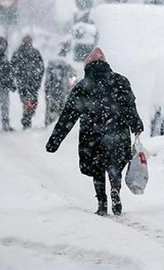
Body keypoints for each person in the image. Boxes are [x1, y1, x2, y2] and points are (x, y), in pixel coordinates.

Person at [46, 47, 143, 216]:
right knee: (114, 164)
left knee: (97, 168)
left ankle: (102, 202)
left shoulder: (83, 87)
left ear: (87, 67)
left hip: (93, 135)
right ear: (106, 64)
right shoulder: (120, 81)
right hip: (117, 132)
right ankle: (115, 190)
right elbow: (129, 107)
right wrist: (136, 125)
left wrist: (54, 141)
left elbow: (68, 117)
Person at [11, 35, 44, 129]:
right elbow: (41, 67)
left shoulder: (19, 53)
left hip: (26, 82)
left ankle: (26, 117)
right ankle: (26, 119)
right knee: (30, 101)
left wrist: (15, 78)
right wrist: (38, 79)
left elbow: (12, 67)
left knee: (28, 101)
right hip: (29, 82)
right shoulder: (33, 52)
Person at [44, 44, 76, 127]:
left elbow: (48, 79)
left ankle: (53, 124)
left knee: (53, 108)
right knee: (58, 108)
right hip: (60, 90)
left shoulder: (61, 64)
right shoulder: (64, 64)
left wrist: (47, 88)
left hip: (57, 90)